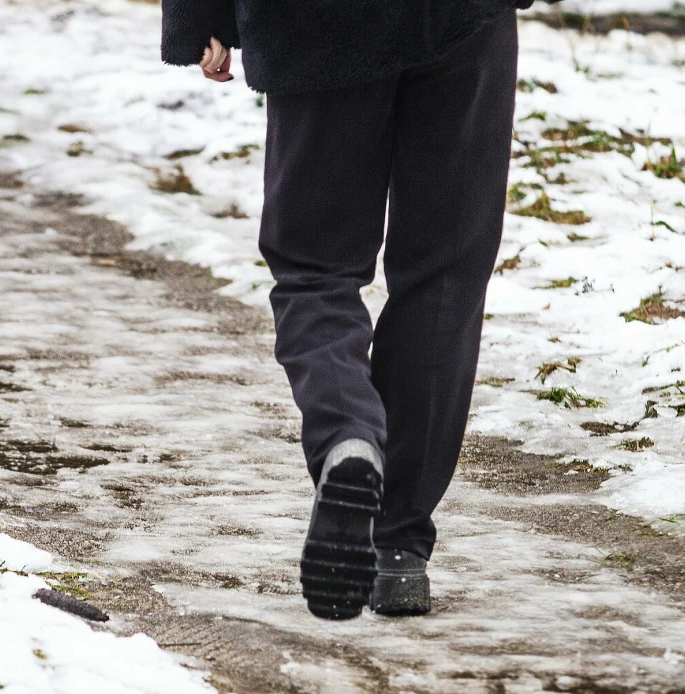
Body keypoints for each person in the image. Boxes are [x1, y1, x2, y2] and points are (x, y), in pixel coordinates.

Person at [161, 0, 552, 620]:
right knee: (444, 271)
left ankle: (347, 434)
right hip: (462, 18)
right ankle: (396, 547)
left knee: (315, 268)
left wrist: (198, 15)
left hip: (319, 27)